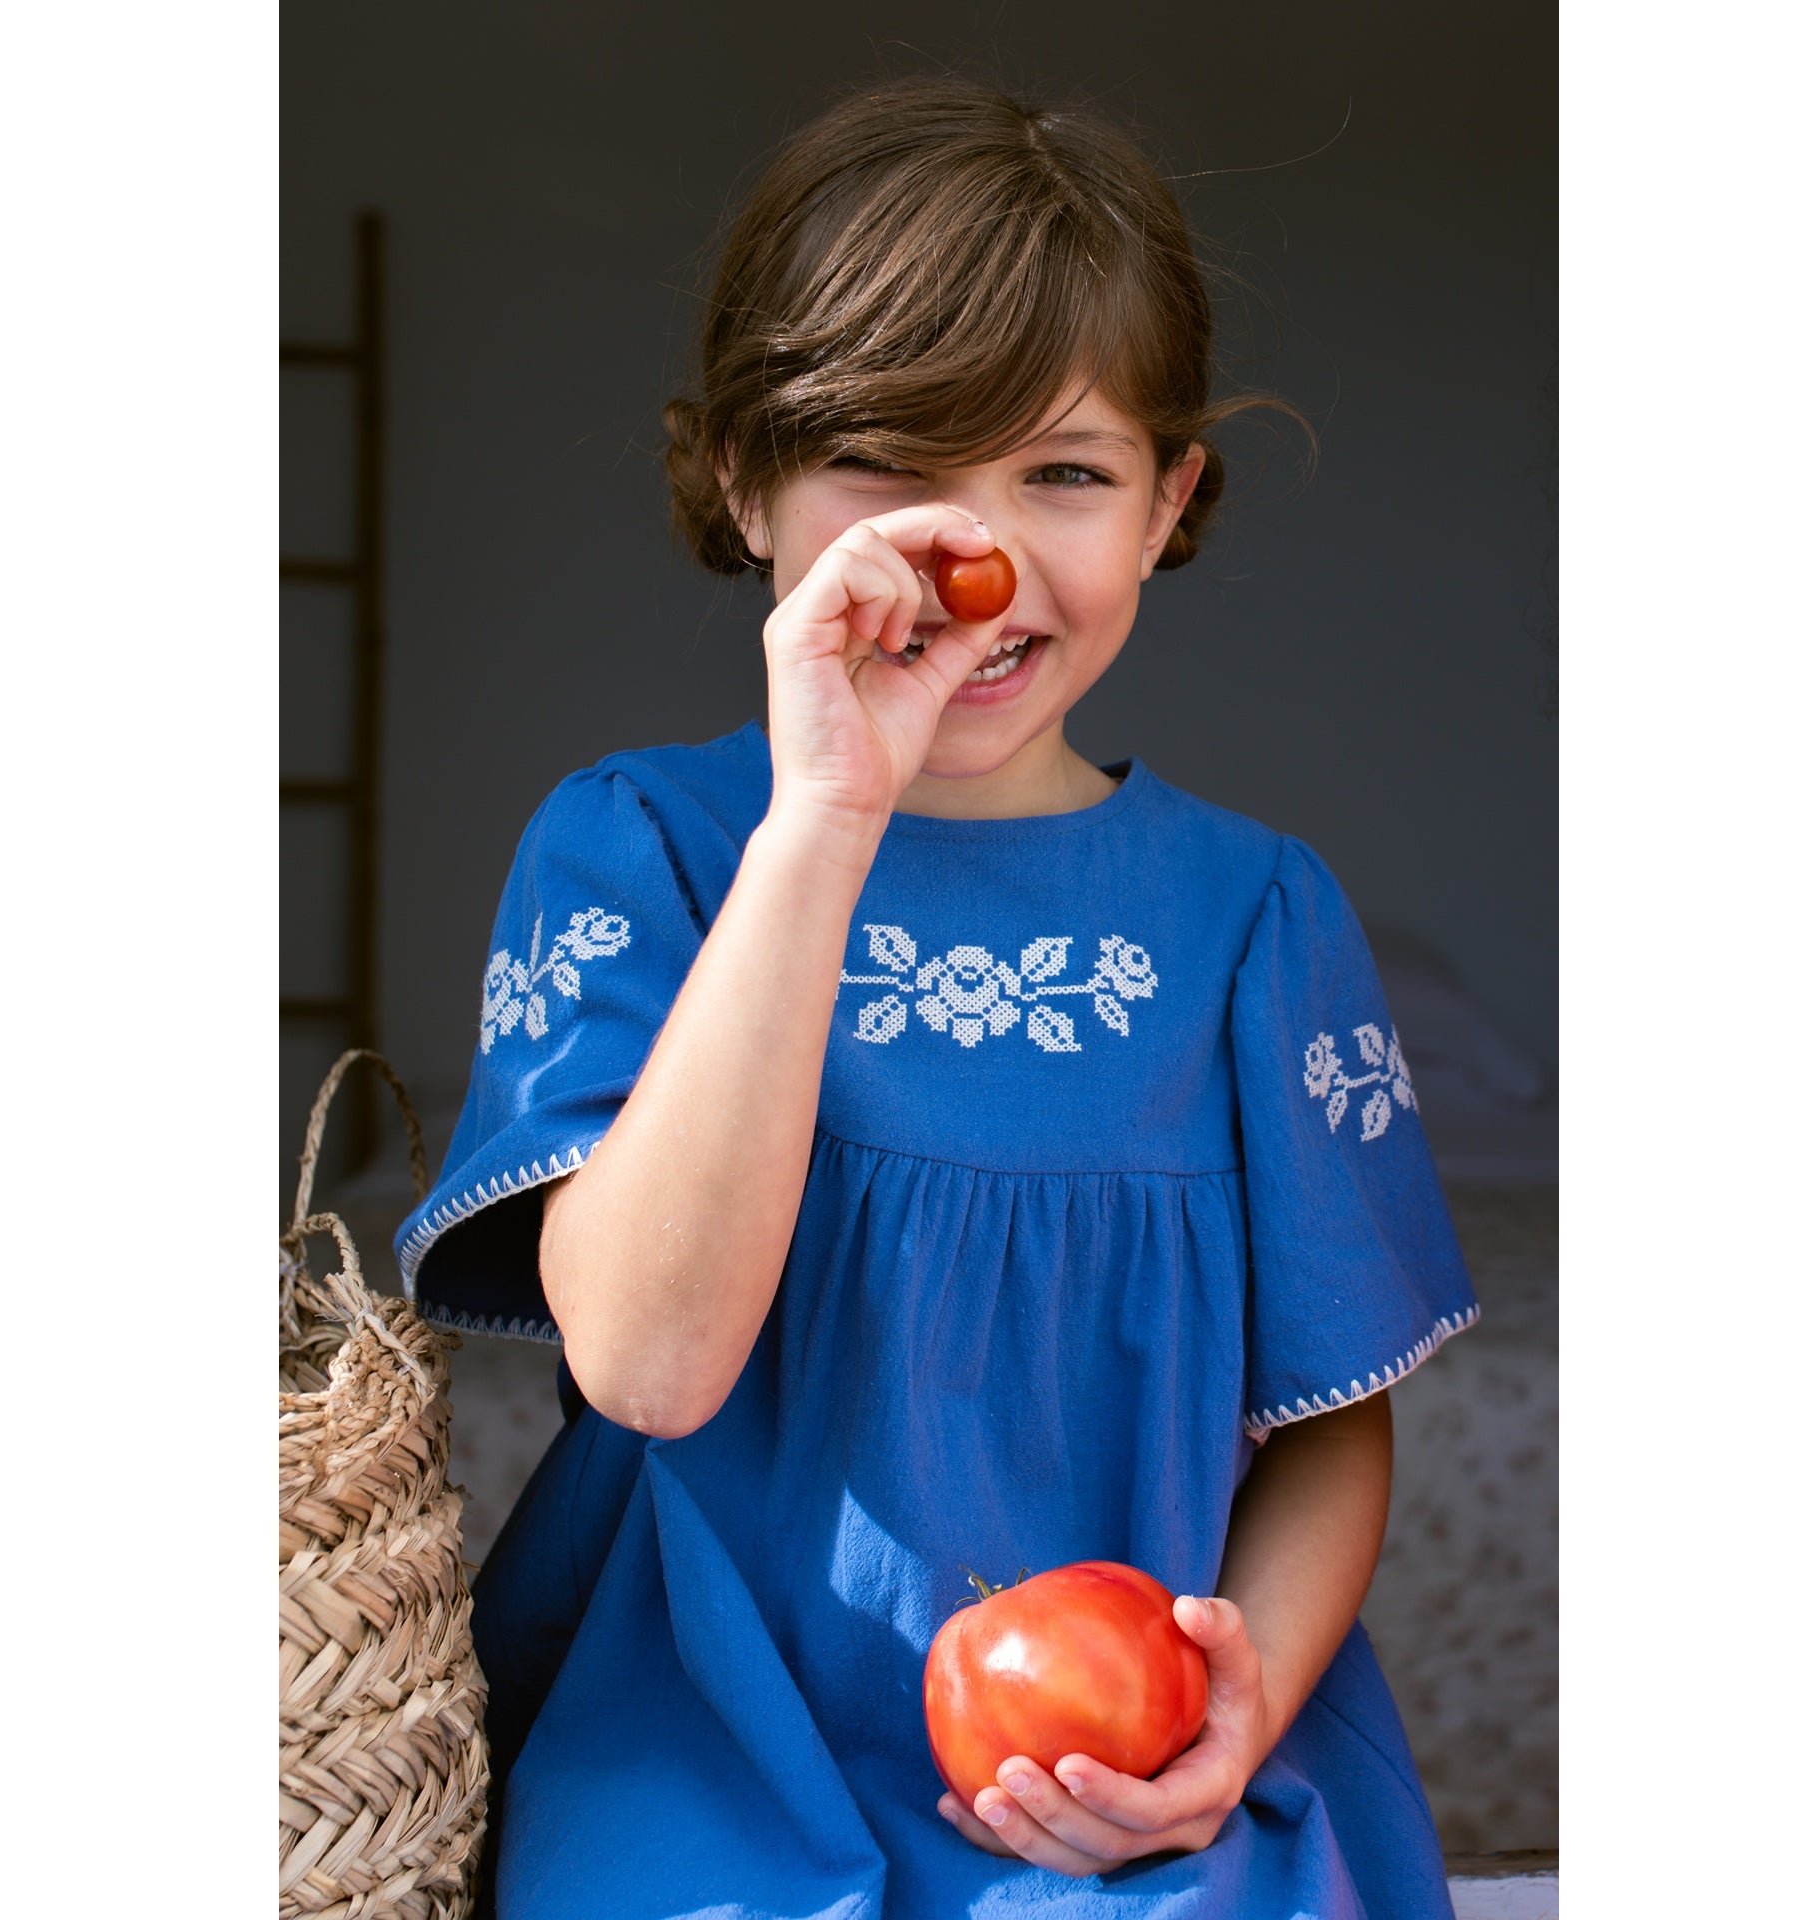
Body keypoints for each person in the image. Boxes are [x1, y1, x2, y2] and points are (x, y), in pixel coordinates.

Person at [396, 75, 1479, 1919]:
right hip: (706, 1750)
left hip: (1127, 1775)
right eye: (888, 459)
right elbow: (648, 1366)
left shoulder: (1252, 917)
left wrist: (1236, 1723)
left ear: (1169, 503)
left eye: (1065, 474)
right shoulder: (641, 849)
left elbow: (1328, 1416)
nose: (971, 555)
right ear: (740, 483)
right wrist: (826, 814)